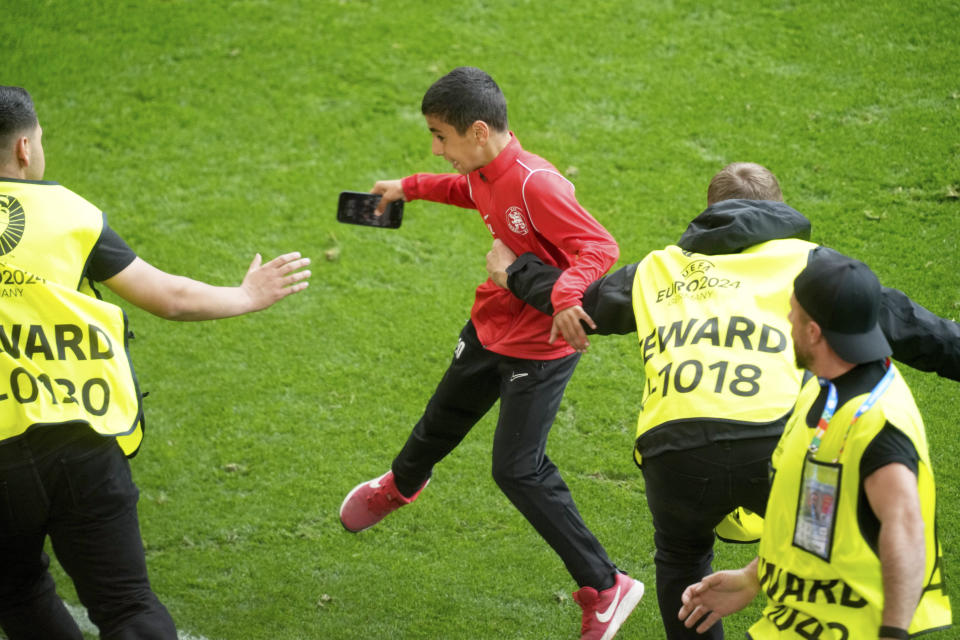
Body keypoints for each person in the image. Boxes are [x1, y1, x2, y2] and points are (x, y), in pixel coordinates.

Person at [485, 162, 960, 639]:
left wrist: (515, 272)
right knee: (818, 553)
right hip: (778, 443)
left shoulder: (658, 268)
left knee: (681, 558)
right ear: (779, 206)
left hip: (674, 449)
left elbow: (581, 302)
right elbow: (922, 332)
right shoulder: (815, 266)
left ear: (710, 213)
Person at [337, 67, 644, 639]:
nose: (435, 147)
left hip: (541, 348)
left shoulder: (538, 185)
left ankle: (605, 586)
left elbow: (599, 246)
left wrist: (565, 298)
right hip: (490, 324)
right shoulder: (482, 170)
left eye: (440, 136)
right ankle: (400, 486)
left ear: (477, 131)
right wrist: (409, 185)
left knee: (517, 468)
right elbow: (465, 189)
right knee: (439, 421)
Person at [0, 86, 311, 639]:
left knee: (19, 596)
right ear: (25, 148)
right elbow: (170, 297)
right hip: (82, 439)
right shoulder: (67, 213)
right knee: (126, 606)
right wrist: (245, 295)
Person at [677, 252, 952, 638]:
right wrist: (753, 577)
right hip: (798, 619)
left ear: (814, 332)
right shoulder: (822, 389)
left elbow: (905, 529)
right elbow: (814, 510)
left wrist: (893, 635)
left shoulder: (878, 426)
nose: (787, 321)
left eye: (793, 313)